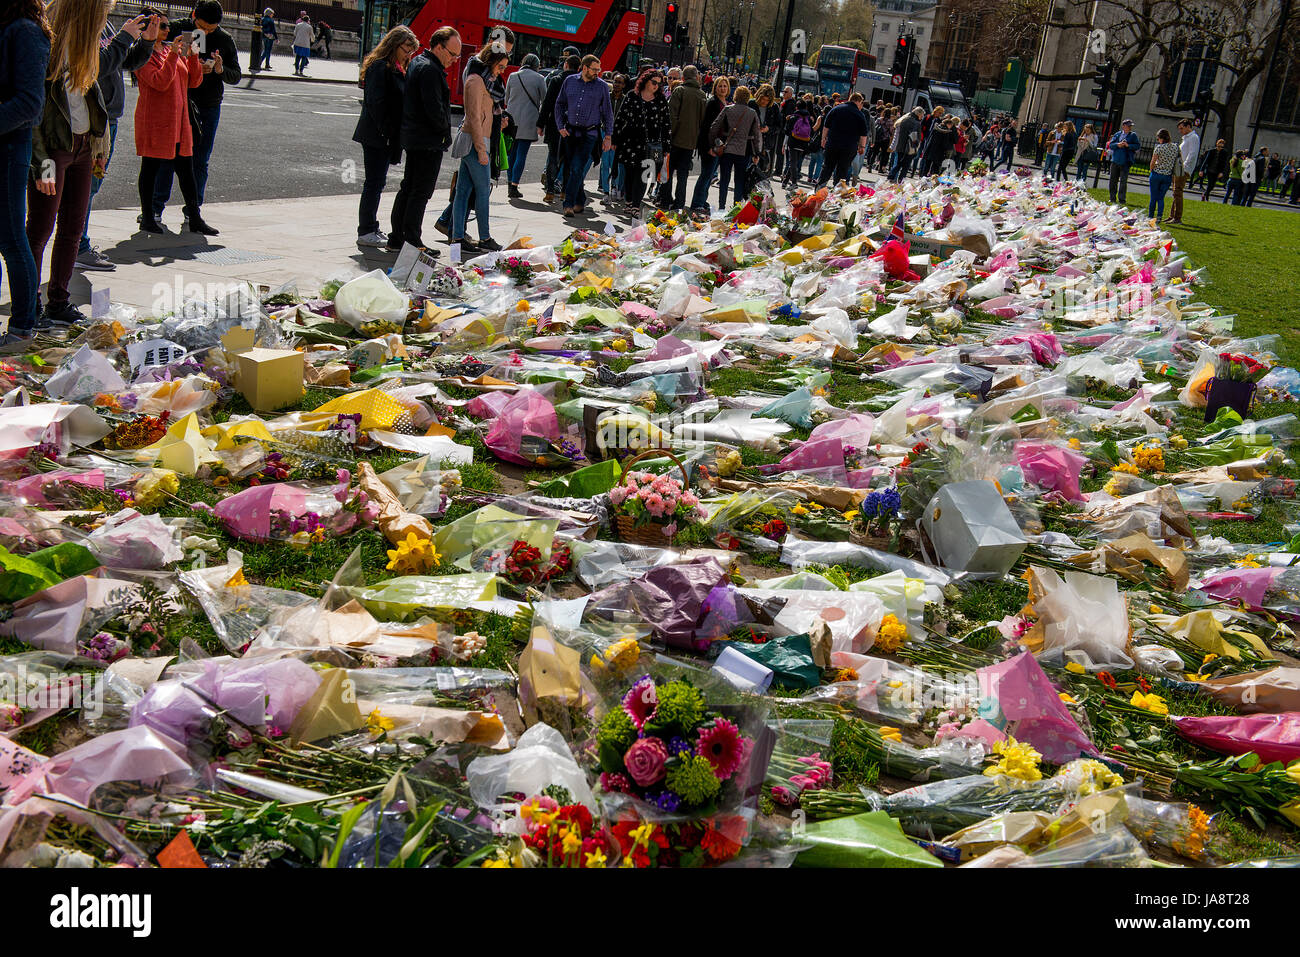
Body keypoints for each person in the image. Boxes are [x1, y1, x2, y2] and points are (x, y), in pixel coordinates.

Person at [25, 0, 114, 329]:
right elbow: (34, 115)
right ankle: (29, 304)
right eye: (102, 12)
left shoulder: (84, 41)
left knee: (73, 230)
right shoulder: (46, 41)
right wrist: (42, 164)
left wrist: (97, 143)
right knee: (40, 230)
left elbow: (91, 97)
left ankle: (58, 302)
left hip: (82, 146)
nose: (105, 19)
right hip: (54, 149)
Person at [75, 14, 152, 272]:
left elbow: (123, 61)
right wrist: (124, 37)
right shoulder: (83, 21)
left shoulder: (103, 21)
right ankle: (78, 245)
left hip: (108, 118)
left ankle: (77, 242)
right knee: (86, 184)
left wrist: (145, 43)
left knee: (92, 184)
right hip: (95, 120)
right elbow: (97, 66)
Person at [151, 1, 239, 225]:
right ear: (193, 16)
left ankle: (193, 210)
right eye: (202, 27)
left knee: (200, 159)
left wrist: (219, 69)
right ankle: (155, 207)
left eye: (211, 29)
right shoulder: (177, 29)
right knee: (168, 156)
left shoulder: (225, 39)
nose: (206, 32)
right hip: (180, 101)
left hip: (209, 103)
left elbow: (235, 75)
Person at [133, 12, 216, 237]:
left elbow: (194, 81)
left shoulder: (173, 51)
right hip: (156, 121)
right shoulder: (143, 54)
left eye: (168, 26)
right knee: (150, 168)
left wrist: (193, 55)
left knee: (187, 171)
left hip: (179, 121)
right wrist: (172, 55)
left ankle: (195, 217)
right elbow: (159, 82)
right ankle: (148, 217)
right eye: (162, 26)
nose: (167, 30)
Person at [0, 0, 52, 342]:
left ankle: (23, 327)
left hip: (8, 148)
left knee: (12, 239)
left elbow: (31, 103)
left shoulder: (27, 31)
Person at [387, 26, 457, 251]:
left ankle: (397, 237)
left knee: (408, 188)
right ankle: (411, 240)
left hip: (415, 137)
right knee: (420, 191)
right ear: (438, 46)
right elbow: (434, 110)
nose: (455, 60)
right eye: (452, 54)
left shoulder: (419, 62)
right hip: (427, 141)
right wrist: (445, 133)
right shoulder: (430, 70)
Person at [352, 24, 416, 247]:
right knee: (373, 183)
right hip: (376, 135)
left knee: (377, 183)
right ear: (394, 44)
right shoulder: (380, 67)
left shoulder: (395, 66)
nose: (408, 54)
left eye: (411, 51)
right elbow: (377, 104)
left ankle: (370, 226)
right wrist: (388, 133)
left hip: (383, 135)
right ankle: (366, 229)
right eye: (406, 49)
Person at [450, 48, 507, 251]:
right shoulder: (476, 80)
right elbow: (473, 117)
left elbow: (483, 114)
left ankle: (458, 238)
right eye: (500, 66)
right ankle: (484, 238)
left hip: (478, 139)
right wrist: (481, 150)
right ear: (490, 61)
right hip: (475, 141)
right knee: (482, 190)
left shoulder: (484, 81)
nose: (501, 71)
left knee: (463, 191)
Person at [555, 54, 613, 216]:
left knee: (576, 167)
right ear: (585, 68)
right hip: (570, 132)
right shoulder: (570, 81)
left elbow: (608, 113)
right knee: (572, 168)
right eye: (594, 69)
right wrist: (560, 126)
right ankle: (580, 200)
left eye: (599, 70)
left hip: (590, 134)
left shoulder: (601, 86)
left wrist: (608, 136)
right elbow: (559, 104)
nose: (597, 73)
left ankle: (568, 204)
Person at [613, 69, 669, 219]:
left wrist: (666, 146)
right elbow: (620, 118)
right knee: (630, 174)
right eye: (654, 82)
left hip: (651, 145)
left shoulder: (661, 100)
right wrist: (614, 139)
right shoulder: (632, 95)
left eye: (659, 83)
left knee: (644, 176)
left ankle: (636, 205)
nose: (656, 86)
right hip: (630, 142)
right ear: (645, 81)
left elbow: (666, 124)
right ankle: (629, 202)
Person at [709, 84, 760, 208]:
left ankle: (722, 206)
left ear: (735, 96)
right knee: (739, 181)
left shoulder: (728, 109)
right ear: (748, 97)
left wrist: (713, 143)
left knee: (724, 179)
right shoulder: (752, 113)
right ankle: (736, 207)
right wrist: (757, 153)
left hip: (727, 148)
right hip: (744, 150)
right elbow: (756, 135)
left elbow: (714, 127)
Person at [504, 53, 545, 199]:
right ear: (536, 65)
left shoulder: (513, 76)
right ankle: (514, 185)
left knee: (511, 154)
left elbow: (506, 98)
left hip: (512, 120)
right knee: (522, 154)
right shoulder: (540, 79)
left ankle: (509, 183)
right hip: (529, 121)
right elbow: (544, 101)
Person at [665, 64, 705, 211]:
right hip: (690, 142)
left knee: (668, 172)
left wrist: (671, 134)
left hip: (675, 139)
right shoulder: (701, 95)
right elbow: (703, 121)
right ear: (696, 77)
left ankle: (666, 199)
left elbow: (672, 116)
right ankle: (679, 203)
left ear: (683, 77)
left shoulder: (679, 91)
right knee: (683, 175)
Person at [540, 54, 578, 202]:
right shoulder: (581, 83)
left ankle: (549, 192)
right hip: (573, 126)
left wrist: (540, 123)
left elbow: (548, 103)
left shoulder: (556, 80)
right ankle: (563, 192)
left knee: (552, 158)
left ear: (566, 65)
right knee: (568, 160)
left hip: (555, 124)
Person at [690, 76, 728, 212]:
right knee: (706, 174)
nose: (722, 88)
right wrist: (708, 148)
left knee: (710, 175)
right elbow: (706, 126)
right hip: (710, 145)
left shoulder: (726, 102)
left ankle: (702, 200)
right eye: (720, 86)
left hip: (719, 145)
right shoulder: (712, 103)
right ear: (715, 88)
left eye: (725, 86)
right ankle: (697, 203)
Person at [817, 90, 868, 186]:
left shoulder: (836, 109)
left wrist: (823, 139)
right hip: (849, 147)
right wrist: (862, 147)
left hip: (833, 143)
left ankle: (820, 187)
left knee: (827, 167)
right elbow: (863, 134)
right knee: (842, 170)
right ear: (859, 102)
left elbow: (826, 126)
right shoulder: (859, 114)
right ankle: (837, 192)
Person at [1165, 118, 1198, 225]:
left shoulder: (1193, 137)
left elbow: (1192, 154)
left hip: (1183, 169)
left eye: (1182, 128)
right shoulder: (1186, 138)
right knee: (1176, 192)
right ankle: (1172, 216)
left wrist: (1184, 167)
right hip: (1179, 167)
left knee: (1178, 192)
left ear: (1188, 126)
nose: (1180, 131)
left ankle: (1177, 217)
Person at [599, 72, 626, 197]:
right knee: (605, 163)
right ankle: (605, 190)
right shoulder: (606, 97)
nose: (617, 85)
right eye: (615, 81)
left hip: (618, 135)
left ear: (624, 85)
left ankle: (614, 186)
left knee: (615, 163)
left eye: (620, 82)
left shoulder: (625, 100)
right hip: (605, 131)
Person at [1147, 128, 1180, 222]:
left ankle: (1150, 216)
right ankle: (1159, 216)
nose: (1158, 141)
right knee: (1161, 198)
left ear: (1161, 138)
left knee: (1153, 197)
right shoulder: (1175, 147)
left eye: (1158, 139)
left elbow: (1153, 161)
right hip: (1168, 175)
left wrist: (1151, 170)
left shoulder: (1159, 148)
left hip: (1157, 173)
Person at [782, 94, 814, 187]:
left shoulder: (793, 117)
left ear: (797, 107)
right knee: (794, 162)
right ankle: (785, 182)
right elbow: (811, 131)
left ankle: (794, 182)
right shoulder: (809, 118)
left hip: (793, 142)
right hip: (804, 143)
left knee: (792, 162)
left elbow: (787, 131)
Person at [1105, 118, 1139, 203]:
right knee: (1113, 180)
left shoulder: (1133, 135)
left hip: (1126, 161)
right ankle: (1112, 197)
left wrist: (1128, 145)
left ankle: (1122, 199)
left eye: (1130, 126)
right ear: (1123, 126)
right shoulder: (1117, 134)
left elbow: (1137, 146)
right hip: (1115, 160)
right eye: (1128, 126)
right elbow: (1111, 145)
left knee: (1123, 181)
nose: (1130, 128)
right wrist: (1118, 144)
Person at [750, 84, 778, 174]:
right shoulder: (752, 104)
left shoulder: (774, 107)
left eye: (767, 100)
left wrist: (768, 129)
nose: (764, 102)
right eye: (763, 99)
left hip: (766, 144)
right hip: (751, 143)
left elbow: (779, 126)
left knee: (761, 172)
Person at [890, 106, 923, 182]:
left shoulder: (904, 120)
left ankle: (891, 177)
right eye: (921, 115)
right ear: (918, 114)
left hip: (900, 145)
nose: (922, 117)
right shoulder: (916, 123)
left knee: (898, 163)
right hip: (909, 147)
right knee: (906, 165)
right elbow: (915, 136)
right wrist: (915, 146)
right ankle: (901, 180)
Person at [291, 12, 311, 76]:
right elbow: (312, 36)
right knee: (304, 58)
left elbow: (295, 33)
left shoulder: (298, 25)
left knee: (297, 57)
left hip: (298, 43)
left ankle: (296, 70)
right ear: (307, 20)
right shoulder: (309, 27)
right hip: (305, 44)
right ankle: (301, 71)